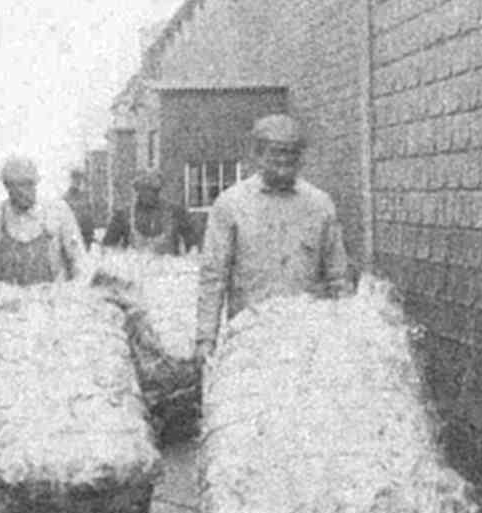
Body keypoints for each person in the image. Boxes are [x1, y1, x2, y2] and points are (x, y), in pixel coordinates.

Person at [195, 114, 354, 360]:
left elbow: (339, 277)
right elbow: (213, 276)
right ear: (258, 154)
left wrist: (350, 337)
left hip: (308, 341)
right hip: (249, 341)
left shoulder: (320, 205)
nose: (284, 159)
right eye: (277, 151)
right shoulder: (230, 205)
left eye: (292, 152)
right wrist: (206, 339)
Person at [0, 154, 88, 286]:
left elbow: (82, 267)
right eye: (17, 186)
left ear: (36, 183)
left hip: (50, 297)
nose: (24, 192)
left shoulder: (58, 213)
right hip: (3, 298)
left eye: (29, 184)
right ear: (7, 187)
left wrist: (65, 290)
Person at [103, 170, 192, 256]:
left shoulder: (175, 212)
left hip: (168, 264)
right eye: (145, 189)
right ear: (138, 191)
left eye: (154, 190)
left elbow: (193, 247)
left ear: (159, 190)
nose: (150, 194)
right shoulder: (123, 215)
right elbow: (108, 248)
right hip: (134, 264)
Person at [63, 168, 97, 248]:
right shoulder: (66, 198)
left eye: (79, 178)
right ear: (71, 180)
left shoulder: (84, 196)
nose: (77, 181)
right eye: (75, 178)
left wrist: (91, 232)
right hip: (74, 234)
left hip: (86, 233)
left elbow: (89, 214)